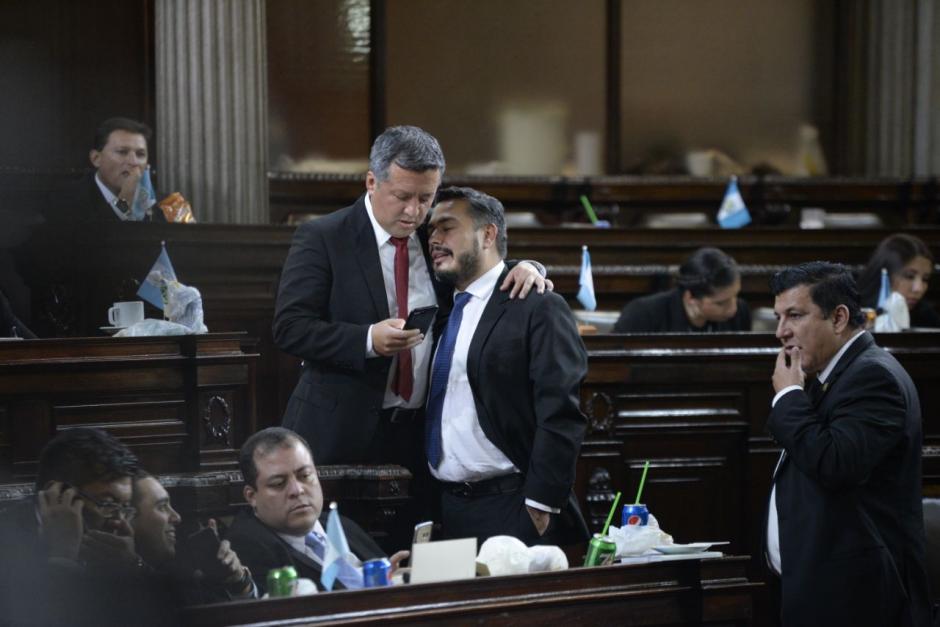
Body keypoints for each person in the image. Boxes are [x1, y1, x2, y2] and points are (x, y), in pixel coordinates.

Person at [273, 125, 547, 468]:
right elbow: (290, 327)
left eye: (425, 198)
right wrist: (368, 339)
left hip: (419, 435)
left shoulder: (434, 236)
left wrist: (528, 267)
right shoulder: (324, 237)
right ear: (372, 182)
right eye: (402, 197)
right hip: (338, 433)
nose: (414, 212)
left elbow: (482, 265)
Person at [766, 261, 931, 626]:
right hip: (830, 590)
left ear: (839, 318)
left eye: (794, 315)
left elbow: (835, 463)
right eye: (778, 317)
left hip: (860, 599)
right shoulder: (836, 374)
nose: (781, 332)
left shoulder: (872, 376)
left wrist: (790, 396)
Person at [425, 186, 590, 547]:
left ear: (488, 234)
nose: (434, 239)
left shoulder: (537, 306)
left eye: (447, 227)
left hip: (514, 508)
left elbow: (561, 412)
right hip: (448, 509)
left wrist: (540, 506)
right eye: (431, 230)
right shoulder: (442, 307)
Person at [226, 427, 407, 594]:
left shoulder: (340, 524)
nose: (297, 490)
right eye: (278, 484)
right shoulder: (247, 548)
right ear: (252, 496)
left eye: (305, 476)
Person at [131, 472, 257, 604]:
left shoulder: (185, 577)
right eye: (162, 507)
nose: (176, 517)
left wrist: (238, 582)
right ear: (128, 517)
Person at [49, 117, 166, 223]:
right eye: (122, 152)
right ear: (96, 159)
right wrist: (123, 205)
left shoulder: (162, 205)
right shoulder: (66, 202)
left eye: (140, 154)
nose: (134, 162)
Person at [613, 247, 751, 333]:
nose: (733, 308)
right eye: (721, 303)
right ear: (690, 298)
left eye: (736, 296)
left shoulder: (741, 312)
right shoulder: (642, 314)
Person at [857, 233, 939, 327]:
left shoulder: (928, 318)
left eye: (925, 279)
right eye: (909, 276)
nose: (918, 288)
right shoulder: (853, 315)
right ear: (885, 274)